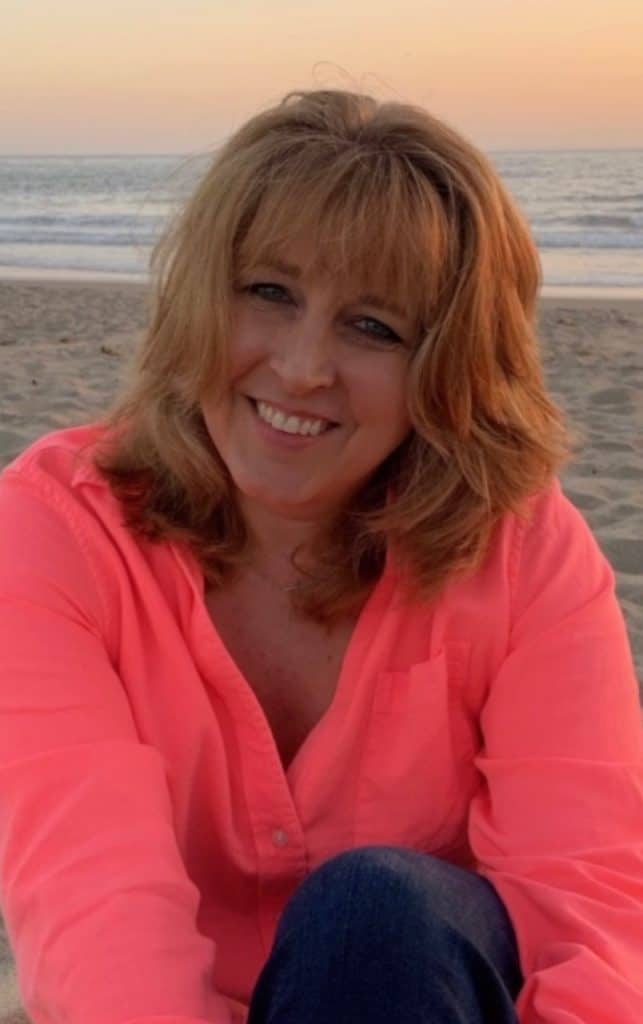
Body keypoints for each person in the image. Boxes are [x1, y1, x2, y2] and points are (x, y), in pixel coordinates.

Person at [0, 88, 641, 1024]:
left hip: (418, 994)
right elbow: (92, 901)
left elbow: (581, 907)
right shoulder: (56, 528)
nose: (303, 366)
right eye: (269, 292)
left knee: (373, 911)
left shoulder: (523, 551)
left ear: (449, 366)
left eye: (373, 327)